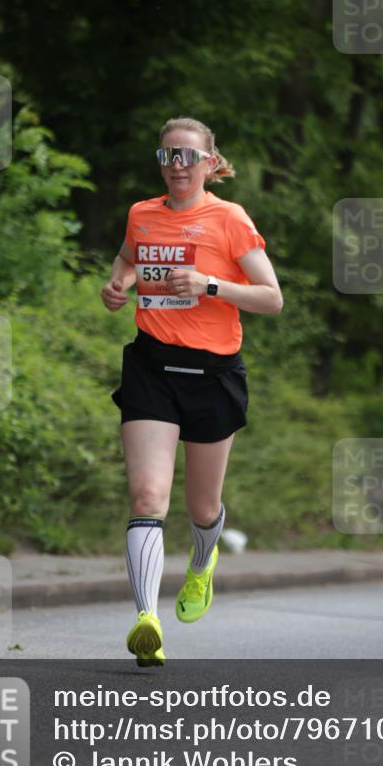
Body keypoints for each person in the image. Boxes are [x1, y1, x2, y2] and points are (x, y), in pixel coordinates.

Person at [101, 116, 283, 666]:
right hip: (152, 367)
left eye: (186, 156)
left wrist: (209, 285)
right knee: (147, 498)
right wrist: (118, 286)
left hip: (213, 375)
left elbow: (271, 297)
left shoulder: (229, 219)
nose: (176, 165)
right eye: (167, 156)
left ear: (208, 163)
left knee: (201, 507)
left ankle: (203, 563)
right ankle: (146, 620)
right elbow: (129, 261)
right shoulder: (142, 214)